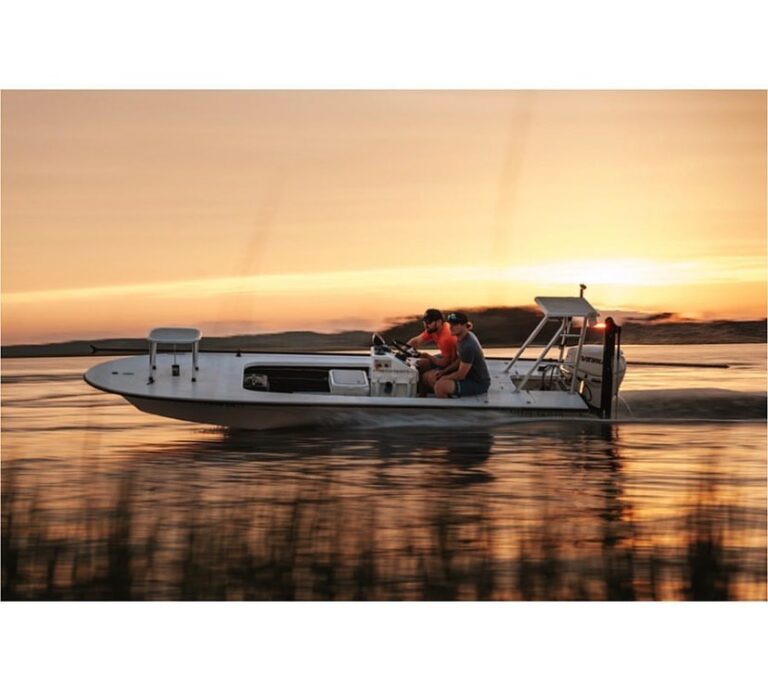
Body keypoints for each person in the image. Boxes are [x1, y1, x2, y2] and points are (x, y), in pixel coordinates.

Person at [434, 312, 491, 398]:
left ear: (464, 325)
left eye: (456, 324)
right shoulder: (461, 338)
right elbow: (461, 359)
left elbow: (461, 375)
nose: (451, 327)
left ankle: (449, 410)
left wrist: (445, 378)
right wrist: (445, 371)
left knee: (440, 386)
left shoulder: (468, 345)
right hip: (468, 377)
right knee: (435, 378)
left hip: (478, 383)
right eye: (450, 324)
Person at [406, 309, 458, 393]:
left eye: (429, 322)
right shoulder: (433, 330)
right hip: (445, 357)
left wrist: (427, 356)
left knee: (426, 376)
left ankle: (424, 396)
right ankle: (417, 393)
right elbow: (416, 341)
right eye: (424, 322)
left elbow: (445, 363)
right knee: (419, 364)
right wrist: (402, 351)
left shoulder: (446, 337)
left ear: (439, 322)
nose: (426, 325)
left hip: (453, 363)